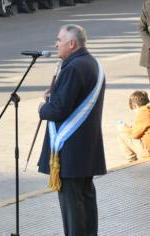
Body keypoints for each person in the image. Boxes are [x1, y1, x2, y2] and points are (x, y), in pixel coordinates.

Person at [38, 24, 106, 236]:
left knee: (72, 207)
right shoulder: (90, 62)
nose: (56, 44)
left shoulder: (74, 67)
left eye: (59, 40)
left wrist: (43, 108)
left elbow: (59, 109)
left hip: (71, 150)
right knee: (85, 199)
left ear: (72, 43)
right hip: (85, 148)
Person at [117, 90, 150, 162]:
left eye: (134, 109)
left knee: (121, 133)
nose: (135, 112)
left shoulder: (142, 112)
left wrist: (124, 128)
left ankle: (132, 160)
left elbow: (134, 135)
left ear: (135, 106)